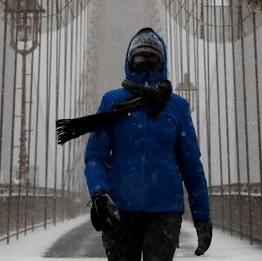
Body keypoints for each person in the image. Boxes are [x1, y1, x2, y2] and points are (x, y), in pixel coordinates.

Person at [57, 27, 211, 260]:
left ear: (162, 61)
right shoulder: (112, 102)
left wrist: (202, 217)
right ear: (130, 61)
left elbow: (192, 167)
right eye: (140, 57)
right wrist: (99, 194)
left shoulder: (177, 107)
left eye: (152, 57)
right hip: (119, 210)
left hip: (164, 213)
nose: (145, 63)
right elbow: (95, 157)